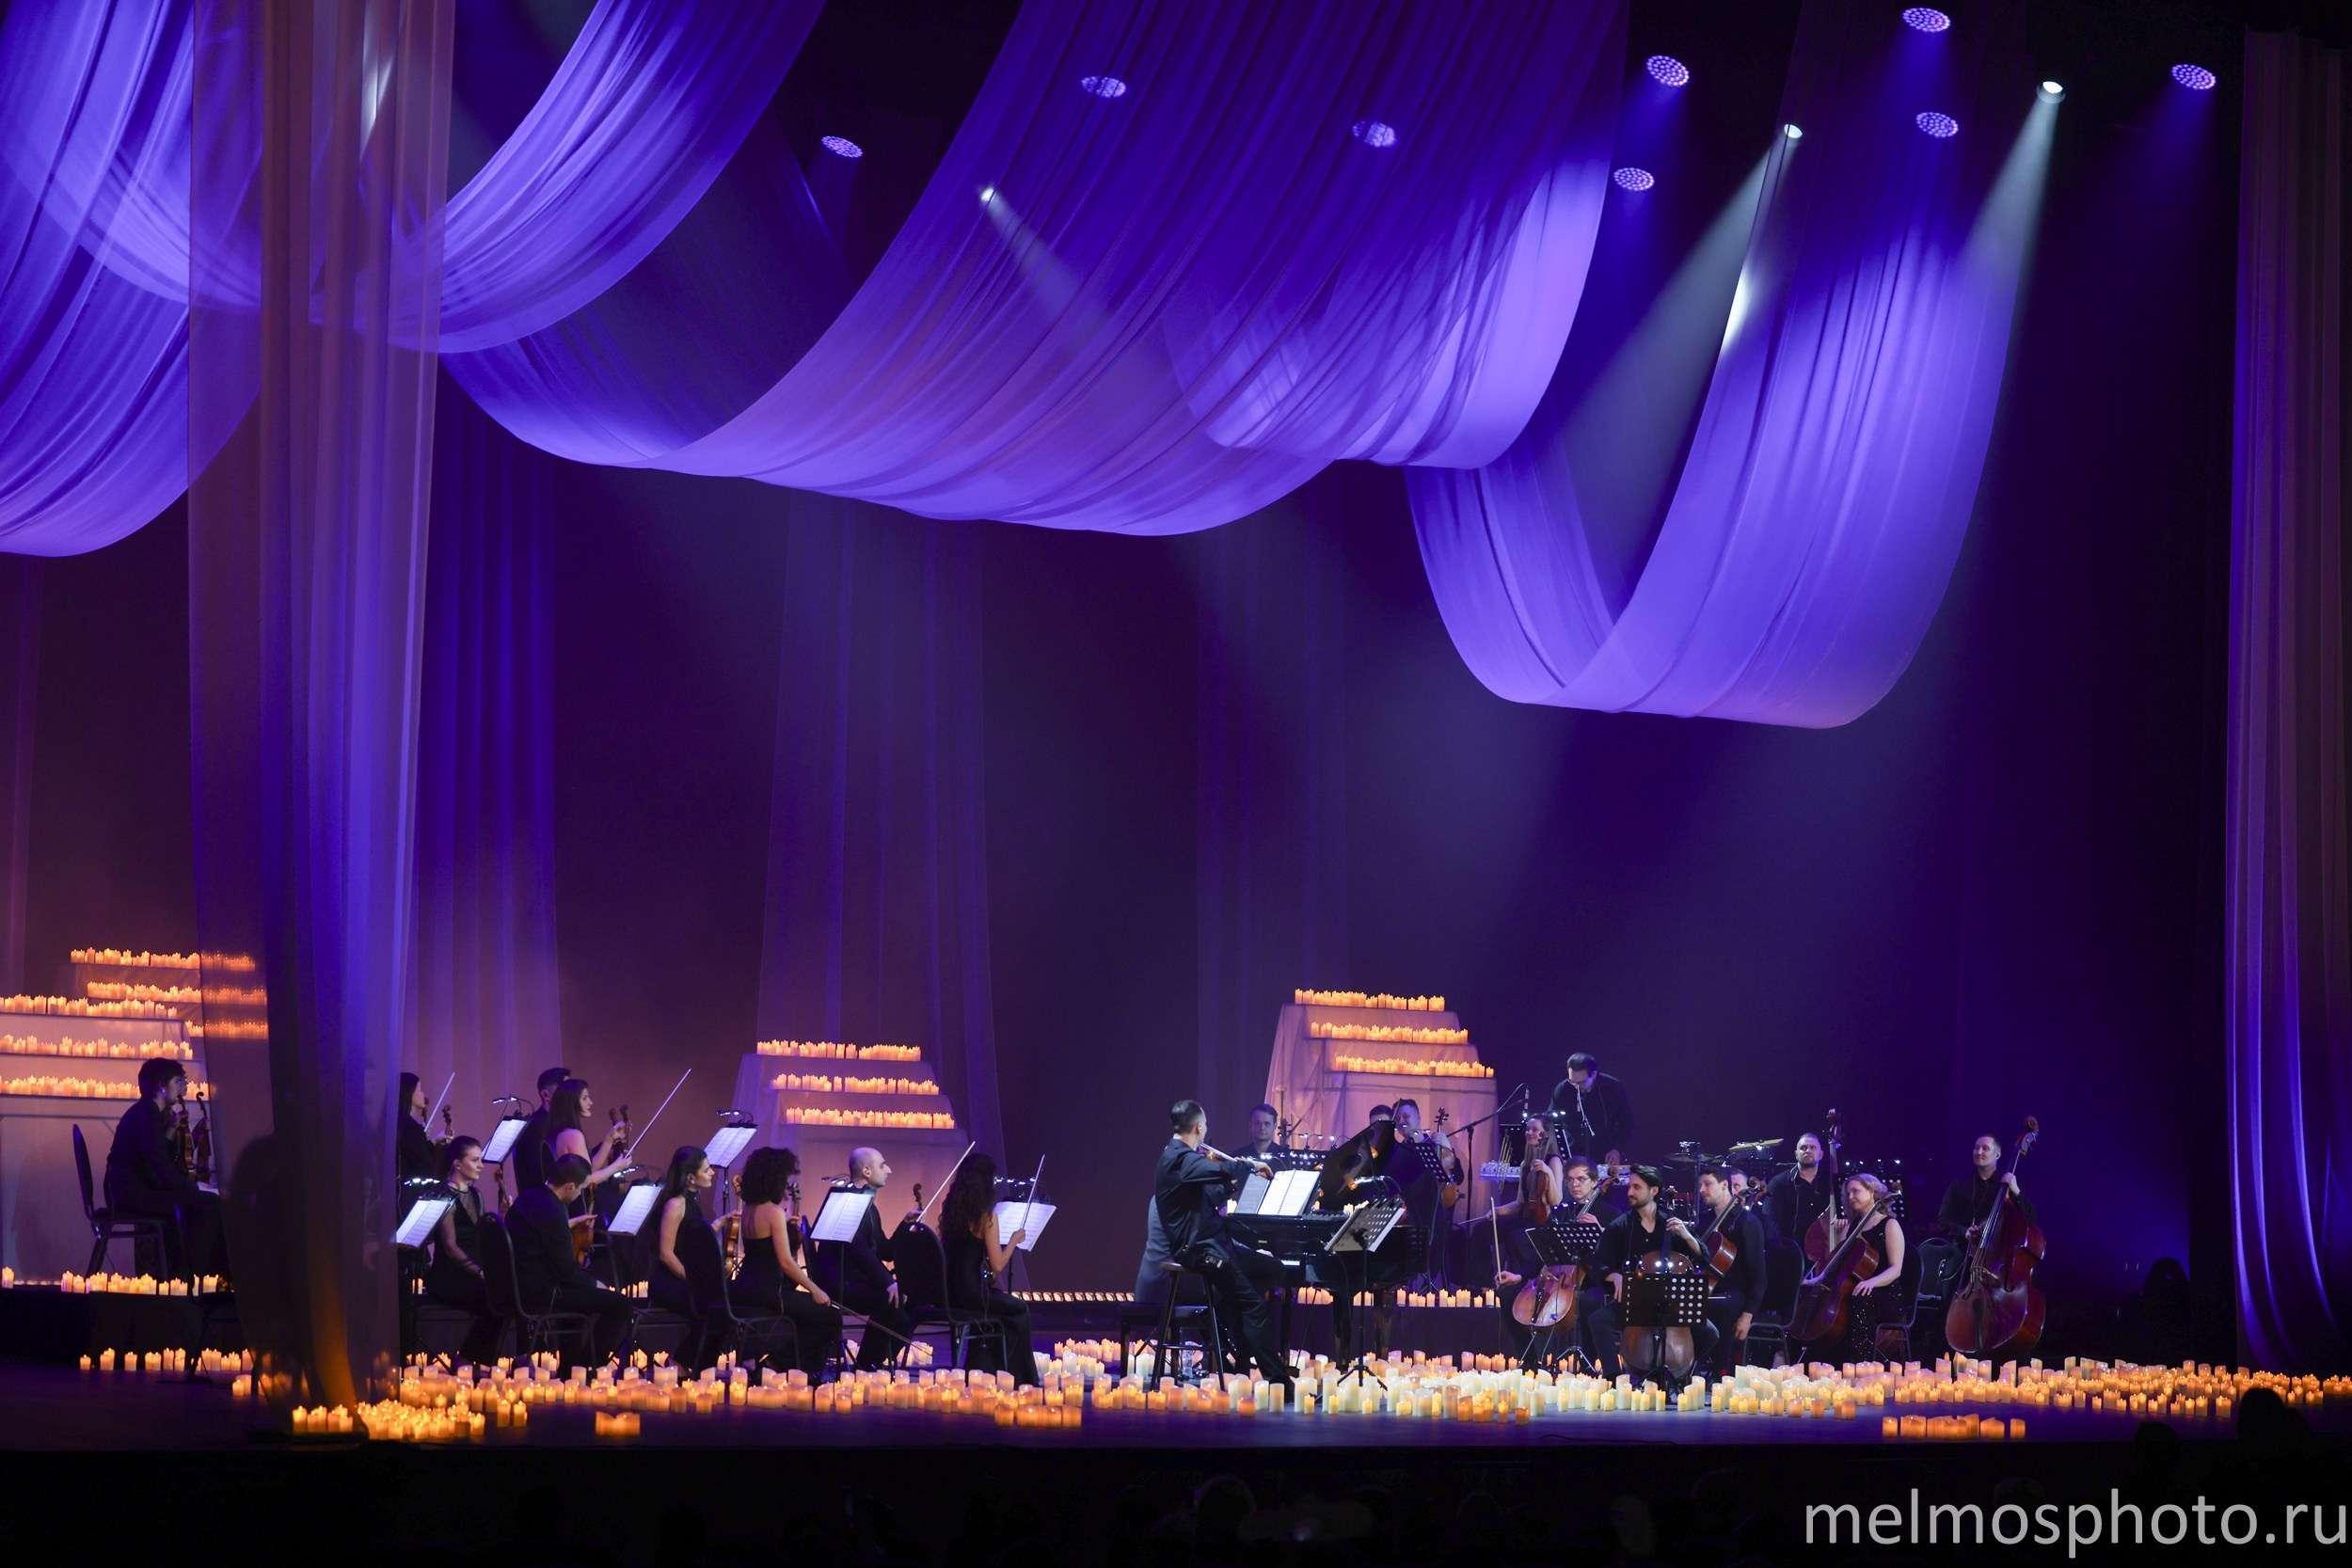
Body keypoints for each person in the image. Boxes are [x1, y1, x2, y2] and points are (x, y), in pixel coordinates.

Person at [1154, 1101, 1293, 1393]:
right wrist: (1248, 1165)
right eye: (1205, 1128)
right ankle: (1279, 1383)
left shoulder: (1185, 1159)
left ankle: (1234, 1308)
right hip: (1201, 1250)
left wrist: (1229, 1184)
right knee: (1254, 1306)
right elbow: (1214, 1169)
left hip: (1217, 1242)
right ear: (1198, 1127)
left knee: (1273, 1269)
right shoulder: (1179, 1158)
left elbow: (1206, 1200)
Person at [1584, 1166, 1711, 1382]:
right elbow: (1599, 1265)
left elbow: (1703, 1258)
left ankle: (1681, 1368)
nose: (1629, 1192)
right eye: (1630, 1187)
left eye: (1637, 1187)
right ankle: (1615, 1378)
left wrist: (1687, 1236)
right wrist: (1615, 1277)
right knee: (1598, 1319)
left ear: (1654, 1191)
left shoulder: (1671, 1224)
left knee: (1711, 1333)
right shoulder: (1620, 1226)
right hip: (1634, 1304)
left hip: (1669, 1304)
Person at [506, 1154, 632, 1367]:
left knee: (580, 1305)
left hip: (520, 1285)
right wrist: (595, 1284)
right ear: (570, 1186)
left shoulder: (530, 1197)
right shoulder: (554, 1212)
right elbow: (565, 1271)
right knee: (621, 1305)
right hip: (543, 1292)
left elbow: (539, 1234)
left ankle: (571, 1369)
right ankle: (586, 1367)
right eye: (581, 1189)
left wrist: (568, 1224)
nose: (580, 1193)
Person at [103, 1057, 223, 1278]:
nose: (182, 1089)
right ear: (161, 1085)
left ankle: (187, 1275)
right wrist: (193, 1189)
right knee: (211, 1205)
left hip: (135, 1190)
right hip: (132, 1195)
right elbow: (160, 1166)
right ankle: (186, 1277)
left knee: (204, 1202)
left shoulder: (149, 1114)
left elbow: (157, 1159)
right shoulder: (147, 1116)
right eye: (178, 1082)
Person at [734, 1146, 841, 1381]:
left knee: (809, 1314)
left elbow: (761, 1250)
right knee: (830, 1317)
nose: (785, 1184)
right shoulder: (773, 1212)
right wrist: (815, 1289)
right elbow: (785, 1262)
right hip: (768, 1290)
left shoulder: (750, 1209)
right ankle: (780, 1365)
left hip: (744, 1287)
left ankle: (783, 1364)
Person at [940, 1152, 1040, 1386]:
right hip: (973, 1296)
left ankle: (985, 1366)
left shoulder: (953, 1212)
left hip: (950, 1294)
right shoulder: (987, 1218)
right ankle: (1015, 1376)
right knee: (1020, 1309)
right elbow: (998, 1264)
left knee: (1003, 1312)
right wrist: (1014, 1240)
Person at [814, 1146, 915, 1370]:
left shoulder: (869, 1206)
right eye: (882, 1165)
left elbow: (885, 1251)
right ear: (867, 1171)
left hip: (855, 1280)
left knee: (912, 1299)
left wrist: (905, 1225)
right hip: (841, 1284)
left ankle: (874, 1358)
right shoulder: (849, 1201)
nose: (888, 1170)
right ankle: (868, 1363)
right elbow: (858, 1249)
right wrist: (888, 1284)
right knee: (892, 1300)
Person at [645, 1145, 727, 1369]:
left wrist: (720, 1223)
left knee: (723, 1312)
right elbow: (666, 1254)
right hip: (668, 1282)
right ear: (690, 1177)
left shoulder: (690, 1202)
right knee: (714, 1312)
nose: (712, 1173)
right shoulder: (675, 1204)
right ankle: (680, 1363)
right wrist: (695, 1282)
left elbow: (691, 1240)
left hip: (683, 1280)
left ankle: (692, 1367)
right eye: (707, 1170)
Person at [1813, 1173, 1905, 1364]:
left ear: (1872, 1192)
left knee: (1860, 1299)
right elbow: (1837, 1266)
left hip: (1883, 1291)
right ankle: (1823, 1361)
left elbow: (1896, 1269)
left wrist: (1871, 1282)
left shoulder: (1889, 1225)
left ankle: (1858, 1364)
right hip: (1855, 1288)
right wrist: (1815, 1281)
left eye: (1856, 1191)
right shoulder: (1851, 1226)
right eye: (1848, 1193)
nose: (1850, 1197)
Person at [424, 1136, 501, 1363]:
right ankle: (468, 1357)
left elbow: (481, 1236)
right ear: (457, 1164)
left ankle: (479, 1359)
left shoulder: (475, 1194)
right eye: (475, 1160)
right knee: (492, 1301)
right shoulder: (444, 1196)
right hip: (450, 1276)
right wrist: (479, 1272)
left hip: (473, 1272)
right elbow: (450, 1246)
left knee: (503, 1298)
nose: (481, 1166)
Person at [1692, 1167, 1766, 1375]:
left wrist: (1747, 1315)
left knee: (1719, 1308)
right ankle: (1682, 1369)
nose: (1702, 1190)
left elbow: (1759, 1276)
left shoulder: (1748, 1222)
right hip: (1708, 1288)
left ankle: (1721, 1374)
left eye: (1707, 1184)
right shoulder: (1705, 1222)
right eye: (1700, 1186)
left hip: (1735, 1294)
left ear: (1725, 1185)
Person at [1935, 1133, 2035, 1243]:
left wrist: (2017, 1193)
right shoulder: (1959, 1184)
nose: (1979, 1152)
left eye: (1985, 1148)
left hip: (1996, 1252)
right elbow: (1943, 1220)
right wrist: (1965, 1232)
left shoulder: (2009, 1184)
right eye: (1976, 1148)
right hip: (1962, 1250)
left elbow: (2030, 1219)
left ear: (1997, 1155)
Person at [1546, 1053, 1632, 1165]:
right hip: (1571, 1156)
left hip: (1605, 1155)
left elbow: (1627, 1122)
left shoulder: (1612, 1087)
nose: (1576, 1086)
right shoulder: (1563, 1089)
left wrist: (1617, 1149)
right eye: (1572, 1081)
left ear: (1594, 1074)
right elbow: (1551, 1119)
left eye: (1581, 1082)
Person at [1764, 1132, 1837, 1258]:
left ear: (1821, 1155)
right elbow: (1769, 1221)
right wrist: (1781, 1249)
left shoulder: (1830, 1183)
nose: (1807, 1151)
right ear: (1796, 1154)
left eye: (1813, 1148)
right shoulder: (1779, 1182)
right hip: (1791, 1253)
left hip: (1823, 1252)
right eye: (1803, 1148)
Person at [509, 1066, 569, 1191]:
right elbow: (541, 1172)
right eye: (564, 1089)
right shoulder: (533, 1128)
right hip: (544, 1199)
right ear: (545, 1095)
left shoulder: (562, 1122)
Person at [396, 1072, 440, 1184]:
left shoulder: (398, 1123)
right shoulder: (410, 1128)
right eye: (420, 1089)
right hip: (408, 1194)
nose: (423, 1095)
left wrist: (434, 1141)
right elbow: (425, 1168)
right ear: (409, 1092)